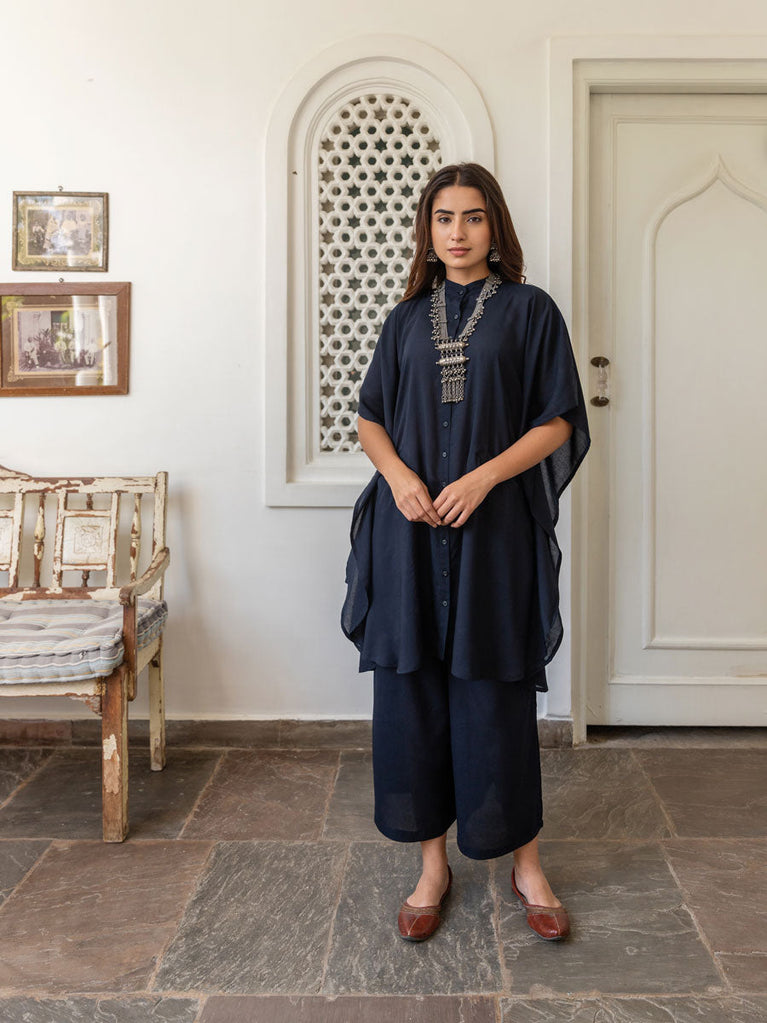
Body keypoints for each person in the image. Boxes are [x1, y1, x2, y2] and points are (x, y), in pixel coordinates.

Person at [341, 163, 590, 943]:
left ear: (494, 226)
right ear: (426, 229)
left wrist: (482, 477)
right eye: (443, 217)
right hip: (408, 532)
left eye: (473, 217)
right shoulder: (402, 320)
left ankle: (526, 864)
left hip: (492, 534)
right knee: (412, 696)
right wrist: (400, 477)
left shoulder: (529, 311)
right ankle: (431, 867)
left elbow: (558, 419)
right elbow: (370, 417)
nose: (457, 232)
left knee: (495, 693)